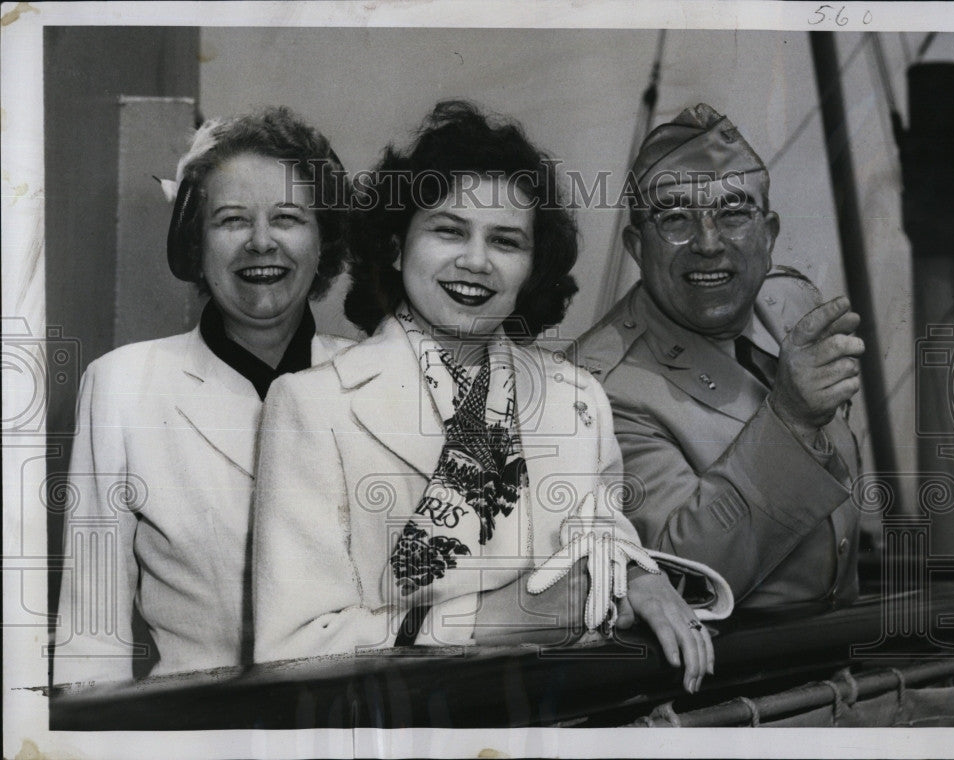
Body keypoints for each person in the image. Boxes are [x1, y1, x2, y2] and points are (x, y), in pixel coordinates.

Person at [252, 101, 732, 694]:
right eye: (448, 231)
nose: (475, 262)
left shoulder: (577, 398)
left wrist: (633, 575)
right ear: (398, 246)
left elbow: (603, 542)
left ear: (532, 269)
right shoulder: (312, 404)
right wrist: (492, 618)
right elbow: (291, 647)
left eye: (506, 241)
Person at [52, 107, 351, 683]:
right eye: (232, 220)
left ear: (323, 239)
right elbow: (91, 634)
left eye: (288, 218)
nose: (261, 242)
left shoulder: (376, 381)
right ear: (196, 242)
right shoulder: (122, 385)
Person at [575, 103, 864, 609]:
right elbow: (686, 581)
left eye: (734, 213)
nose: (708, 244)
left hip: (843, 663)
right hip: (729, 681)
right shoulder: (597, 391)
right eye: (675, 218)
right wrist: (791, 422)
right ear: (637, 246)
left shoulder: (792, 304)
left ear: (769, 236)